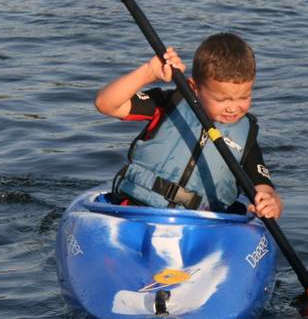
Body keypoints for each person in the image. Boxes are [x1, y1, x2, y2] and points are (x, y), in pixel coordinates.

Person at [94, 32, 283, 218]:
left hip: (201, 225)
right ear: (194, 88)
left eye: (244, 97)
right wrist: (148, 73)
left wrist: (271, 201)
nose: (233, 108)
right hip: (137, 211)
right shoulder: (168, 103)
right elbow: (106, 104)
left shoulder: (246, 135)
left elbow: (264, 187)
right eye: (222, 99)